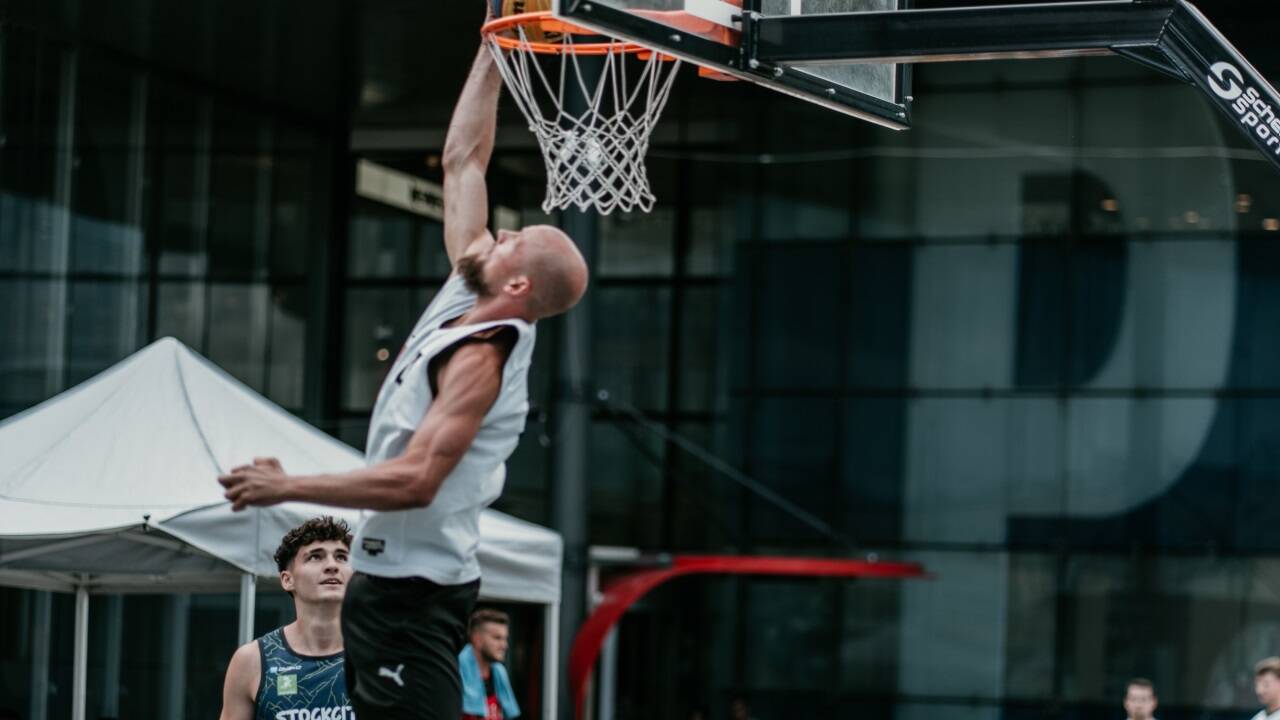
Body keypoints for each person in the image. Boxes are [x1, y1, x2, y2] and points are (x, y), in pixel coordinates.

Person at [217, 4, 589, 717]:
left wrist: (287, 484)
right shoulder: (468, 285)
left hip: (414, 598)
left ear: (516, 286)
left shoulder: (482, 358)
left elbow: (418, 480)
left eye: (514, 238)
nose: (500, 230)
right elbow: (462, 159)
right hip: (388, 582)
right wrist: (495, 43)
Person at [218, 516, 354, 720]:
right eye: (315, 557)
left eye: (342, 557)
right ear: (287, 580)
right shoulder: (251, 661)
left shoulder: (381, 654)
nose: (332, 566)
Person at [460, 608, 521, 720]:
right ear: (477, 639)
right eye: (497, 638)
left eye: (505, 639)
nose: (504, 645)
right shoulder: (457, 673)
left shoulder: (499, 673)